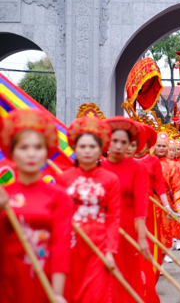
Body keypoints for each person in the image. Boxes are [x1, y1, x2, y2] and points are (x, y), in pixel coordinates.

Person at [0, 109, 73, 303]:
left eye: (37, 147)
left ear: (46, 151)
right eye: (23, 148)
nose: (31, 154)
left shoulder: (59, 196)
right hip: (7, 282)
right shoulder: (4, 195)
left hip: (44, 282)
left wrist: (57, 293)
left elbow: (61, 248)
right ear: (12, 152)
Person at [57, 116, 120, 303]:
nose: (87, 151)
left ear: (101, 149)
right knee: (70, 294)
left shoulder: (110, 179)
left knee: (95, 295)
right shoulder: (63, 179)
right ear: (74, 149)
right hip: (69, 246)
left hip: (98, 247)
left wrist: (110, 251)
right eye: (82, 146)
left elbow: (114, 217)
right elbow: (58, 217)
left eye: (92, 147)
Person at [103, 116, 150, 303]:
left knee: (128, 270)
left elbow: (140, 202)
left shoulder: (136, 168)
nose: (118, 146)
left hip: (128, 225)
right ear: (108, 141)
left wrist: (141, 236)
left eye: (124, 142)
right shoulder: (99, 166)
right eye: (115, 141)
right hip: (104, 226)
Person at [132, 124, 170, 303]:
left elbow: (160, 185)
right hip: (126, 210)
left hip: (148, 209)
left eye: (143, 142)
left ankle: (148, 286)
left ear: (148, 144)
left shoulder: (153, 161)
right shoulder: (123, 160)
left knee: (149, 247)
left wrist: (167, 207)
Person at [153, 133, 175, 263]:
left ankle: (163, 255)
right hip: (150, 201)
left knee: (165, 229)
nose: (161, 148)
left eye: (163, 146)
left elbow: (177, 186)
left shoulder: (172, 165)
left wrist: (177, 206)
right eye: (158, 145)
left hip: (166, 201)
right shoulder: (149, 161)